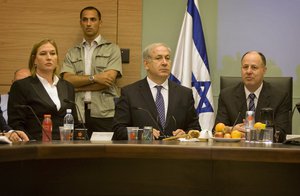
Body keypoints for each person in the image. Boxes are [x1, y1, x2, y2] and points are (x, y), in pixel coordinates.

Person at [112, 43, 201, 140]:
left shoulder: (184, 94)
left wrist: (185, 134)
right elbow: (118, 130)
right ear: (146, 64)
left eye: (167, 58)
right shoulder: (130, 93)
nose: (164, 63)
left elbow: (195, 128)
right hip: (143, 152)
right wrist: (143, 134)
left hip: (175, 151)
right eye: (158, 58)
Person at [61, 6, 122, 137]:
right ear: (80, 23)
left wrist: (78, 87)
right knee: (78, 152)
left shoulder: (113, 49)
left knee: (104, 152)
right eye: (85, 20)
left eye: (93, 19)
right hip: (78, 112)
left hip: (104, 112)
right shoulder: (72, 52)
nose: (89, 23)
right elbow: (67, 81)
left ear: (100, 22)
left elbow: (108, 81)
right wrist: (94, 78)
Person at [7, 39, 77, 141]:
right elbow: (16, 124)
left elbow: (74, 121)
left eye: (53, 53)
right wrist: (31, 143)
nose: (49, 58)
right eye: (43, 54)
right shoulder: (21, 86)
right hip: (35, 147)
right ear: (34, 59)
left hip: (66, 146)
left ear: (57, 58)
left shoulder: (68, 87)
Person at [215, 51, 291, 142]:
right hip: (235, 151)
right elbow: (217, 130)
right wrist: (232, 130)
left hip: (267, 153)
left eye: (254, 67)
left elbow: (282, 133)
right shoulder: (227, 96)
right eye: (245, 67)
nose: (248, 71)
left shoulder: (279, 97)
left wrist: (255, 133)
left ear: (264, 70)